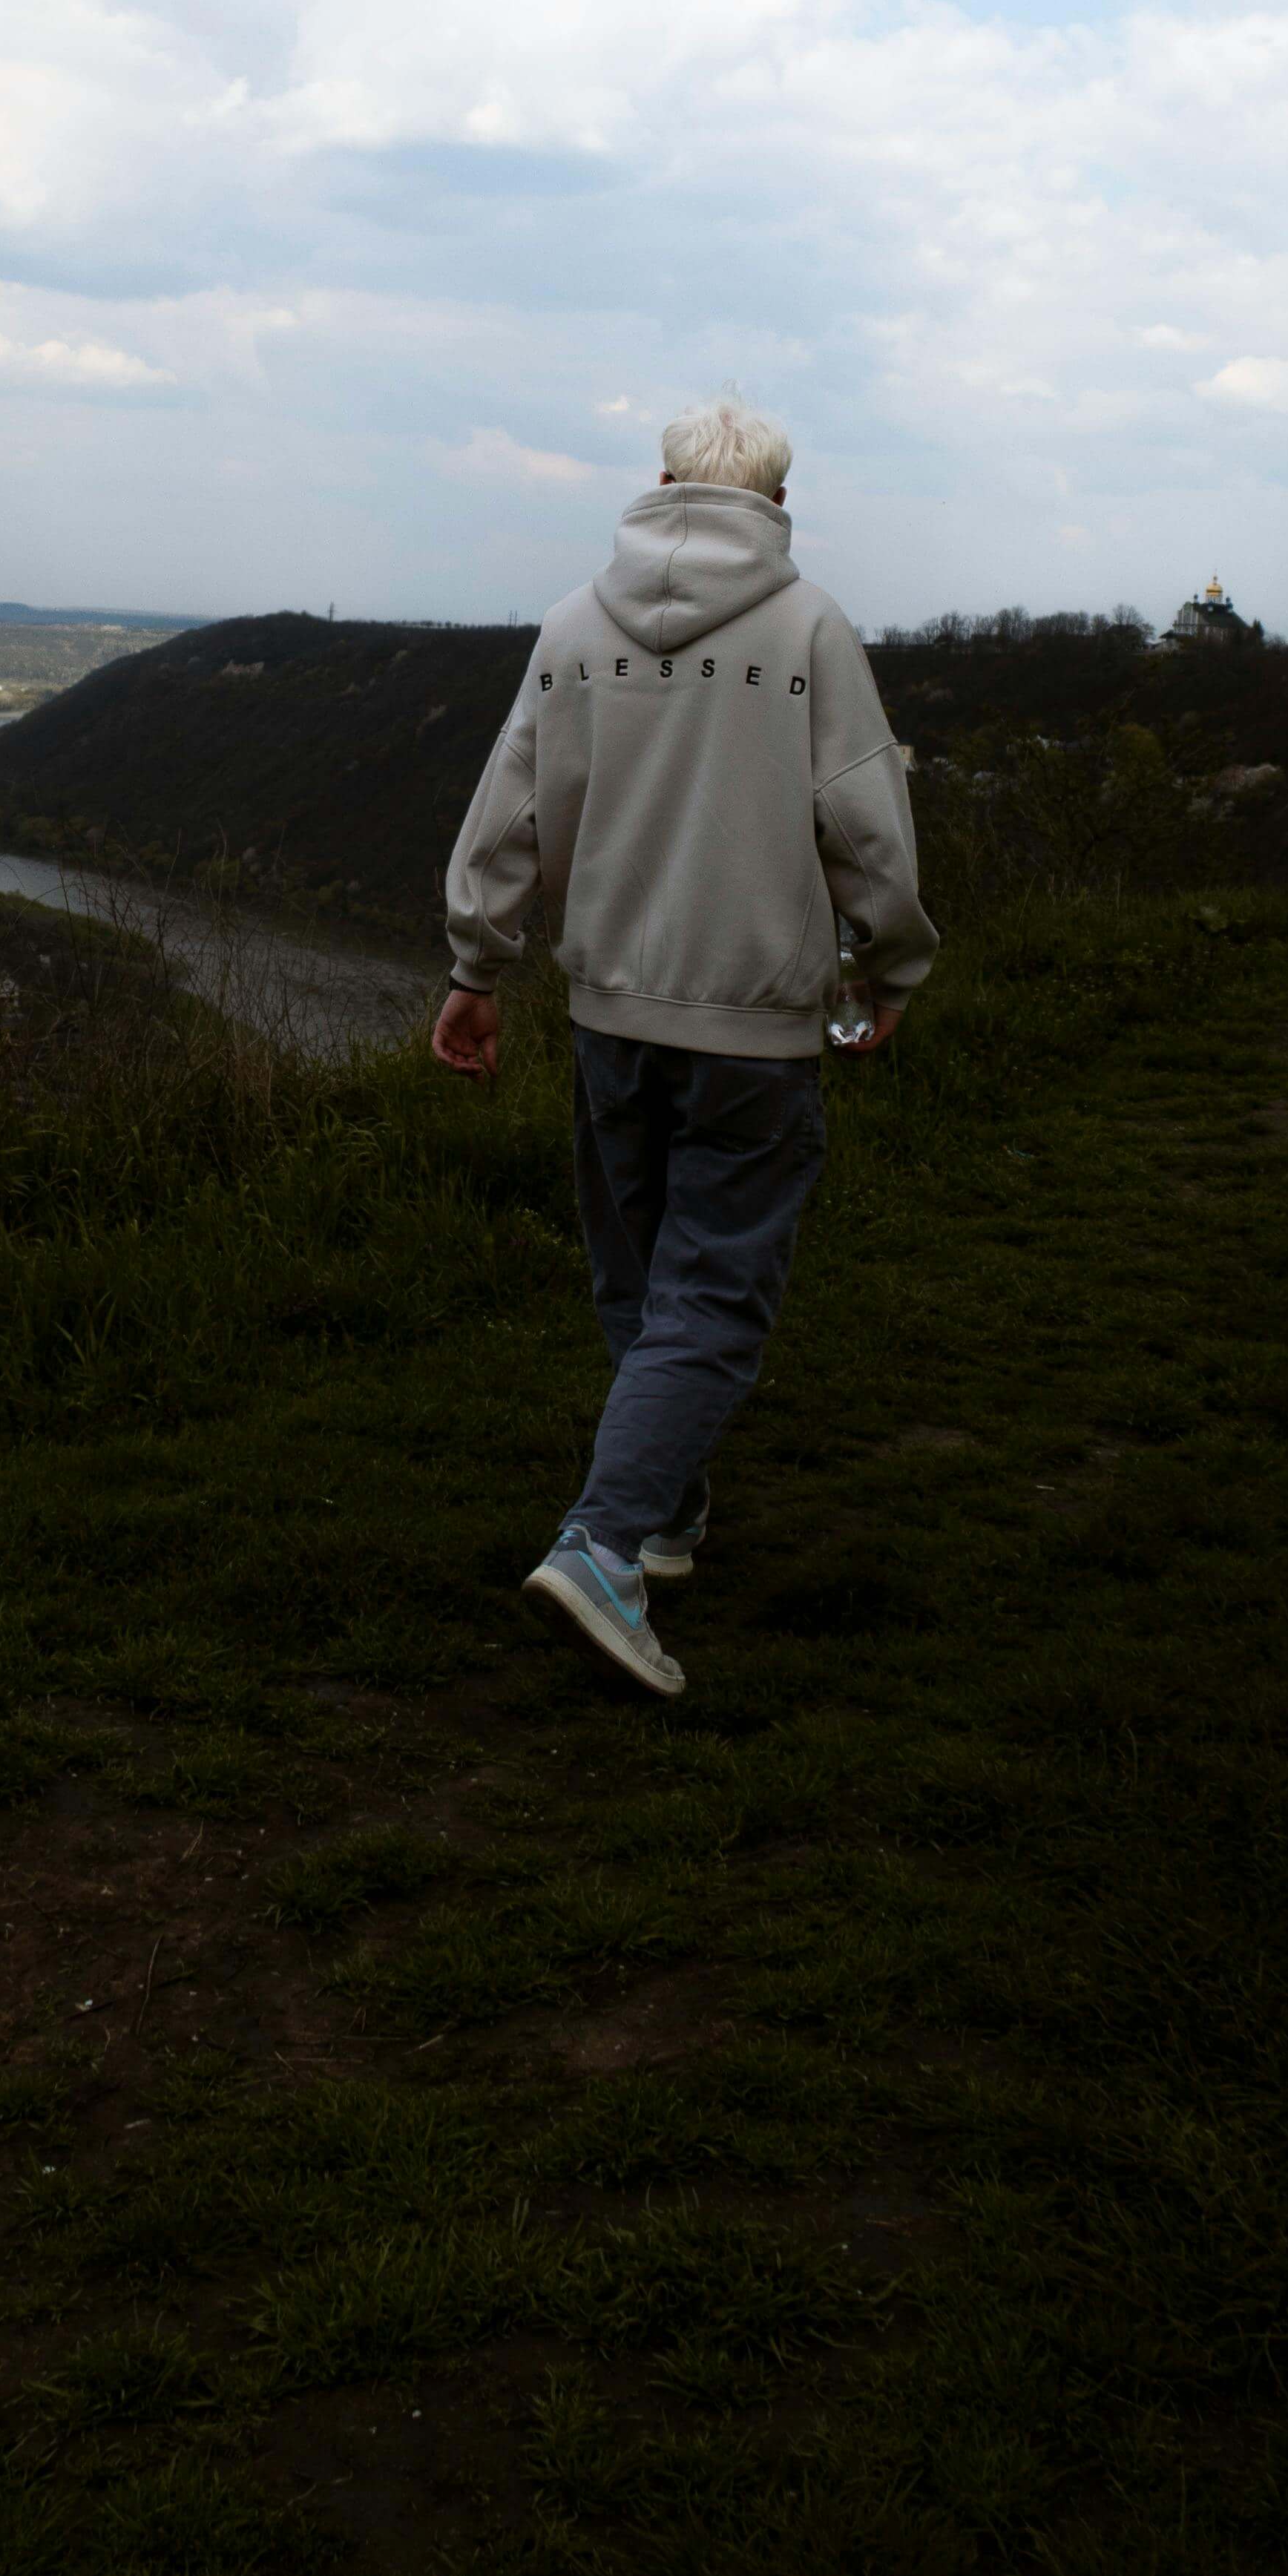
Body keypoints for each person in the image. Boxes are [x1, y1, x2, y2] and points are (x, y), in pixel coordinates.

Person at [432, 396, 937, 1697]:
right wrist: (890, 961)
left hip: (609, 1011)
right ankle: (605, 1545)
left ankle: (663, 1512)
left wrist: (478, 968)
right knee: (712, 1289)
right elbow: (865, 824)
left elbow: (509, 815)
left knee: (640, 1273)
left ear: (660, 484)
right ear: (777, 500)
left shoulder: (572, 627)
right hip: (755, 1024)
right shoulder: (808, 627)